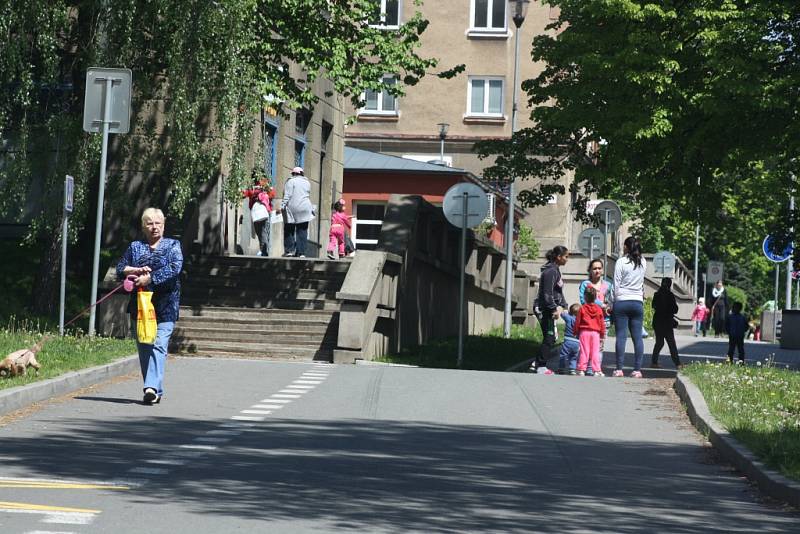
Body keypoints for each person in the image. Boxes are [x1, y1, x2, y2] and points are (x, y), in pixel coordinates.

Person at [116, 208, 183, 405]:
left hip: (165, 306)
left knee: (159, 345)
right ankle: (154, 390)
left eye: (158, 223)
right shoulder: (135, 247)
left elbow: (175, 268)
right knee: (145, 347)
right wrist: (136, 270)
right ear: (143, 226)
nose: (154, 227)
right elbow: (121, 268)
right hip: (140, 307)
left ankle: (150, 387)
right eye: (150, 223)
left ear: (163, 225)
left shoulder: (173, 245)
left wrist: (150, 278)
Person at [610, 236, 647, 378]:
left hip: (622, 302)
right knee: (637, 337)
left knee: (621, 336)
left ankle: (619, 369)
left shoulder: (621, 262)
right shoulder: (643, 262)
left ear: (627, 247)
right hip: (637, 302)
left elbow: (616, 284)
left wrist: (612, 302)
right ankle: (637, 370)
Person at [532, 245, 569, 375]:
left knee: (552, 336)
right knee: (550, 337)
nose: (567, 259)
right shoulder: (551, 272)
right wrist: (553, 308)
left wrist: (564, 305)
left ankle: (537, 363)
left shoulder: (555, 270)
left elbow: (557, 291)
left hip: (548, 308)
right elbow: (547, 293)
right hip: (544, 308)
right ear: (558, 257)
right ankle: (541, 365)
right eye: (566, 256)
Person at [579, 258, 612, 375]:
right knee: (586, 347)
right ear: (590, 271)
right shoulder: (585, 285)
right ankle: (586, 368)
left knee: (599, 347)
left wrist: (609, 307)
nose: (597, 271)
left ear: (602, 270)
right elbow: (584, 301)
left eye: (599, 268)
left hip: (604, 320)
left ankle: (595, 369)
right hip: (588, 321)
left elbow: (611, 301)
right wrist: (601, 305)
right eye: (594, 268)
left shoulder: (608, 285)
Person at [281, 166, 314, 257]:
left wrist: (282, 206)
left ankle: (289, 250)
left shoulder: (291, 181)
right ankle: (301, 252)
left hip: (293, 207)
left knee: (289, 228)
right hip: (305, 207)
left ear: (294, 174)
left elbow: (287, 195)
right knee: (302, 230)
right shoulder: (307, 182)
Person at [242, 169, 275, 256]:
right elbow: (246, 193)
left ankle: (264, 250)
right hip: (257, 211)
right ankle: (263, 249)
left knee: (262, 231)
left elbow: (271, 194)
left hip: (263, 210)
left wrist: (260, 195)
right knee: (259, 231)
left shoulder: (265, 184)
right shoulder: (253, 186)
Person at [575, 286, 606, 377]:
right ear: (596, 297)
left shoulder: (582, 308)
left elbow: (578, 321)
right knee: (595, 352)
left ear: (585, 296)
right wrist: (602, 334)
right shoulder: (599, 309)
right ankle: (596, 370)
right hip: (595, 333)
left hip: (584, 332)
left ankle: (581, 369)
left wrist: (575, 331)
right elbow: (601, 323)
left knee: (584, 351)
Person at [651, 277, 682, 369]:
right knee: (671, 343)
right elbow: (675, 309)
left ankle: (654, 362)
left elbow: (654, 306)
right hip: (667, 322)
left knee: (659, 342)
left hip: (657, 321)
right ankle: (678, 364)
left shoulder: (656, 294)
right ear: (670, 285)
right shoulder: (670, 295)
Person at [557, 303, 581, 375]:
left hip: (568, 340)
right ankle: (572, 369)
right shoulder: (580, 321)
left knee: (563, 355)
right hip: (577, 342)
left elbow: (562, 314)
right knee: (574, 356)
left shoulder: (568, 318)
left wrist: (565, 310)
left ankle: (561, 368)